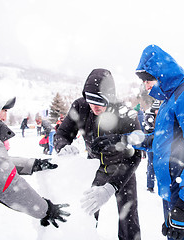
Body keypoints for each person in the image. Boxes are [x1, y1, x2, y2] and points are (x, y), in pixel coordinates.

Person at [0, 67, 70, 240]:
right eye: (5, 109)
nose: (4, 116)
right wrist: (46, 209)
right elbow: (7, 184)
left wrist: (33, 164)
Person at [134, 45, 184, 240]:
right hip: (173, 191)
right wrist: (124, 140)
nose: (146, 85)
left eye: (149, 78)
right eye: (143, 81)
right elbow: (161, 140)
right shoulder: (168, 100)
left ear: (162, 73)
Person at [53, 68, 142, 240]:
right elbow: (62, 134)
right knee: (86, 213)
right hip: (94, 167)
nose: (95, 106)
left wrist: (111, 187)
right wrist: (62, 146)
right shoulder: (80, 107)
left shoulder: (125, 113)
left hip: (123, 169)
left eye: (100, 101)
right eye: (91, 100)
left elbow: (135, 155)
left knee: (129, 219)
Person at [142, 100, 161, 193]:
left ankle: (154, 182)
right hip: (151, 144)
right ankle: (150, 185)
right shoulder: (149, 117)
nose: (158, 111)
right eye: (157, 110)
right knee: (152, 164)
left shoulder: (157, 116)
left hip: (159, 144)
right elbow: (150, 130)